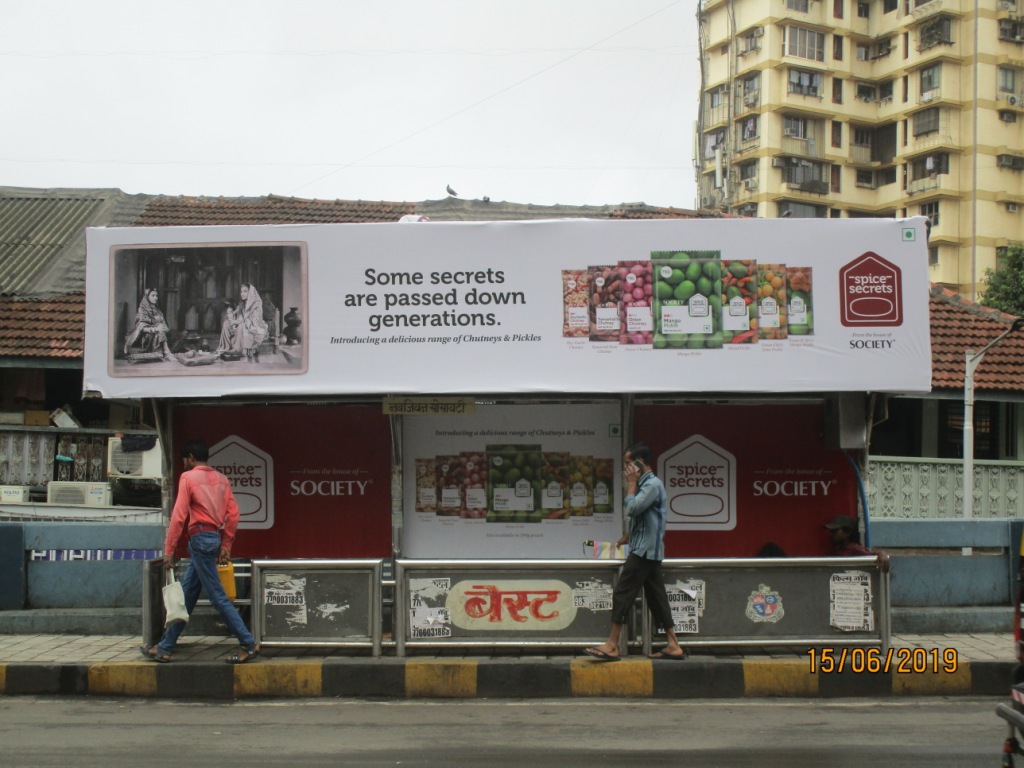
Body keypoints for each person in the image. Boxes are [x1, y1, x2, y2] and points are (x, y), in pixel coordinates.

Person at [140, 439, 260, 664]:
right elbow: (233, 515)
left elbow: (178, 517)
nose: (184, 463)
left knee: (217, 597)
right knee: (187, 595)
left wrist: (169, 550)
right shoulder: (222, 480)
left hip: (199, 538)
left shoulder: (188, 478)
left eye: (186, 459)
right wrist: (226, 545)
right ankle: (165, 646)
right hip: (213, 537)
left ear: (192, 458)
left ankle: (248, 643)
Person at [583, 441, 686, 661]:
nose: (626, 468)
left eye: (628, 463)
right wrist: (629, 535)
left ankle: (612, 645)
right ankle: (673, 644)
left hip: (644, 551)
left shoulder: (651, 485)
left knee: (623, 592)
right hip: (647, 549)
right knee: (656, 597)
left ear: (640, 463)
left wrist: (630, 484)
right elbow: (648, 518)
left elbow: (633, 508)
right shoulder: (647, 485)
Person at [217, 283, 269, 361]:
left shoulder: (257, 305)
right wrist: (234, 321)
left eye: (245, 291)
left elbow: (255, 321)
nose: (242, 294)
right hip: (243, 324)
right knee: (226, 323)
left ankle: (237, 349)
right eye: (241, 292)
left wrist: (238, 322)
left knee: (242, 325)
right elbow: (240, 317)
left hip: (254, 328)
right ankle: (226, 348)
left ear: (250, 293)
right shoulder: (242, 304)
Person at [825, 514, 891, 570]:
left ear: (847, 533)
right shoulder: (837, 550)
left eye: (835, 531)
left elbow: (872, 555)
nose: (832, 534)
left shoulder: (853, 549)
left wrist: (881, 554)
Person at [123, 288, 174, 360]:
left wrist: (164, 328)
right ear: (147, 297)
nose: (156, 298)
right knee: (159, 332)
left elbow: (164, 324)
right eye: (153, 295)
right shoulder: (142, 309)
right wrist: (155, 329)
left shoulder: (158, 310)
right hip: (146, 336)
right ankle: (166, 352)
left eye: (156, 296)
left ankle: (163, 352)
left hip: (158, 334)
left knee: (175, 336)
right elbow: (141, 327)